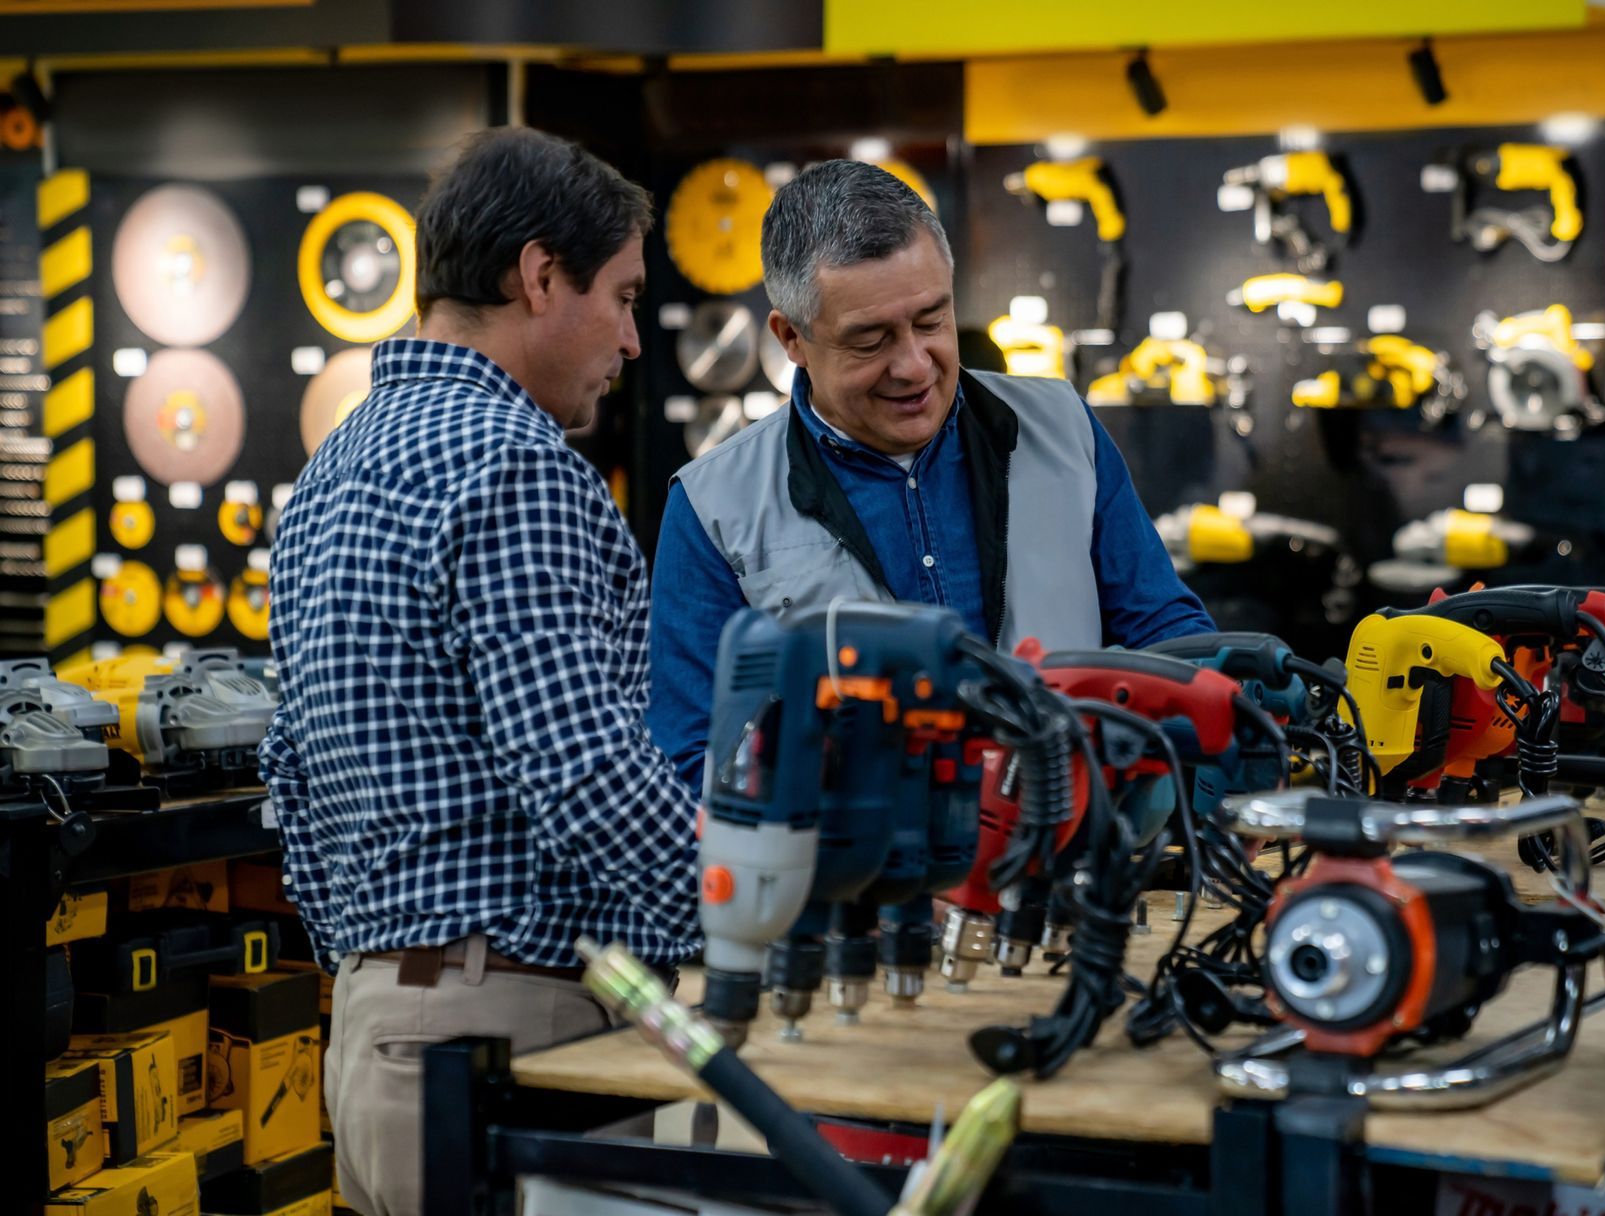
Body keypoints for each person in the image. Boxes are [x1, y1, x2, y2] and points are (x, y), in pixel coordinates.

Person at [258, 128, 697, 1216]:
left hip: (375, 1040)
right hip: (507, 1040)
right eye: (625, 296)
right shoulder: (517, 465)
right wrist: (761, 922)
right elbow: (582, 768)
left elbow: (290, 774)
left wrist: (384, 964)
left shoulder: (331, 469)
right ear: (541, 275)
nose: (634, 340)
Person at [650, 159, 1215, 788]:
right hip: (860, 882)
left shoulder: (1064, 430)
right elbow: (692, 760)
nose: (915, 366)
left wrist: (1218, 759)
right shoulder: (713, 507)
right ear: (792, 339)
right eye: (871, 341)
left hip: (1073, 864)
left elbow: (1166, 637)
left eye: (931, 321)